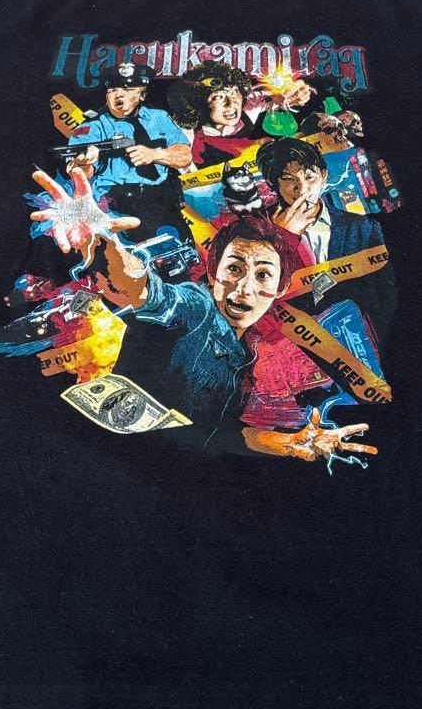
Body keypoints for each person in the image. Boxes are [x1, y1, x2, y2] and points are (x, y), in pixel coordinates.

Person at [30, 166, 374, 460]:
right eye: (234, 269)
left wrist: (287, 444)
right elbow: (144, 290)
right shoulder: (196, 308)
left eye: (263, 276)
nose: (244, 289)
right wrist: (103, 241)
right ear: (212, 273)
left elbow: (219, 435)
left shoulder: (243, 357)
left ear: (281, 289)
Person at [255, 137, 398, 347]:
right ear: (272, 183)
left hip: (358, 339)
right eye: (288, 179)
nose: (302, 188)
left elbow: (385, 296)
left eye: (309, 176)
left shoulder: (363, 228)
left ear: (323, 175)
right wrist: (283, 237)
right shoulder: (256, 228)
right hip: (288, 345)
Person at [64, 62, 192, 243]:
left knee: (184, 252)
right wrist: (83, 164)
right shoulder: (91, 128)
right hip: (116, 207)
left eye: (128, 89)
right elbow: (79, 173)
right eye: (112, 90)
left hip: (163, 202)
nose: (119, 94)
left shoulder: (159, 118)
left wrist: (153, 155)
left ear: (142, 95)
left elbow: (185, 156)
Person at [167, 60, 312, 167]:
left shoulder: (248, 107)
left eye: (235, 92)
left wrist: (296, 92)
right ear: (198, 104)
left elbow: (279, 96)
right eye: (217, 97)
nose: (231, 104)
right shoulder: (185, 134)